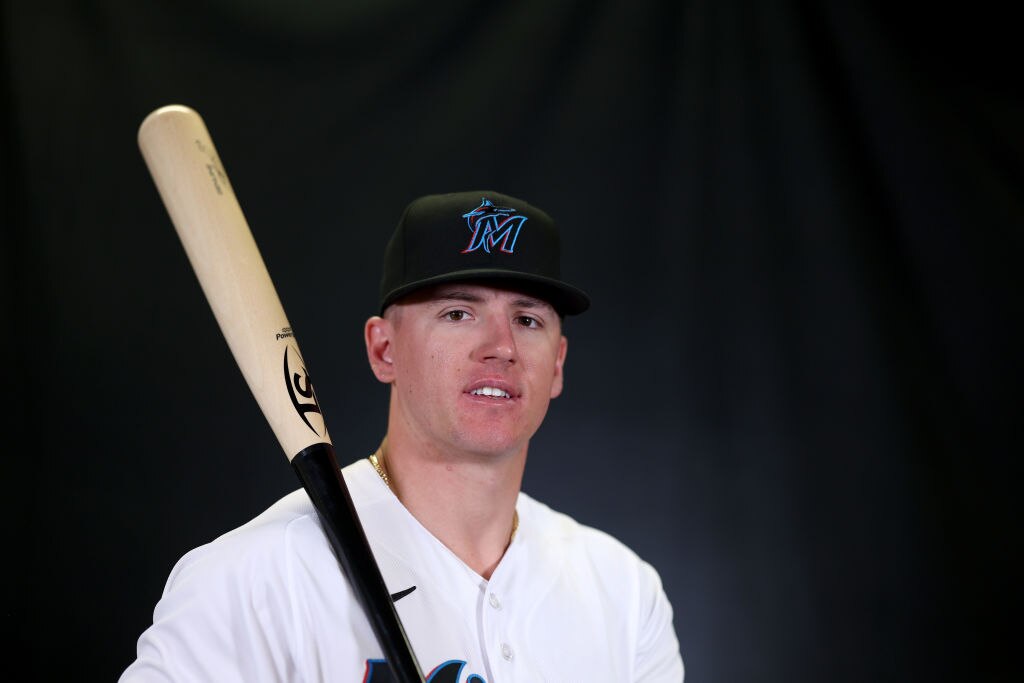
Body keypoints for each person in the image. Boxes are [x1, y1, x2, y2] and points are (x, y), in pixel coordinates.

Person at [121, 190, 684, 682]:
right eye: (458, 313)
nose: (501, 346)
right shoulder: (255, 578)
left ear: (557, 364)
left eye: (528, 320)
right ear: (383, 349)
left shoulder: (624, 592)